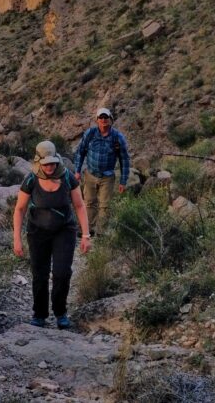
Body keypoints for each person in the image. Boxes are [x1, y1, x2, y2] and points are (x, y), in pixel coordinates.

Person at [13, 140, 91, 329]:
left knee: (62, 273)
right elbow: (20, 209)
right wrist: (17, 238)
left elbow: (79, 206)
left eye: (52, 162)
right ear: (39, 162)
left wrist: (86, 235)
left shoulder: (67, 177)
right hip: (37, 231)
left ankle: (60, 312)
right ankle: (39, 314)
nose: (49, 166)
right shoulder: (31, 179)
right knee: (39, 273)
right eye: (46, 163)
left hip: (64, 230)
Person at [72, 107, 131, 237]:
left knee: (105, 205)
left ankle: (101, 232)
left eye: (106, 117)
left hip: (107, 176)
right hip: (90, 174)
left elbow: (124, 160)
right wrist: (77, 171)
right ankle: (87, 229)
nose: (104, 120)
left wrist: (123, 181)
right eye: (101, 118)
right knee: (89, 202)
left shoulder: (117, 137)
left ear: (110, 119)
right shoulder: (90, 134)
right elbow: (80, 152)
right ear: (97, 120)